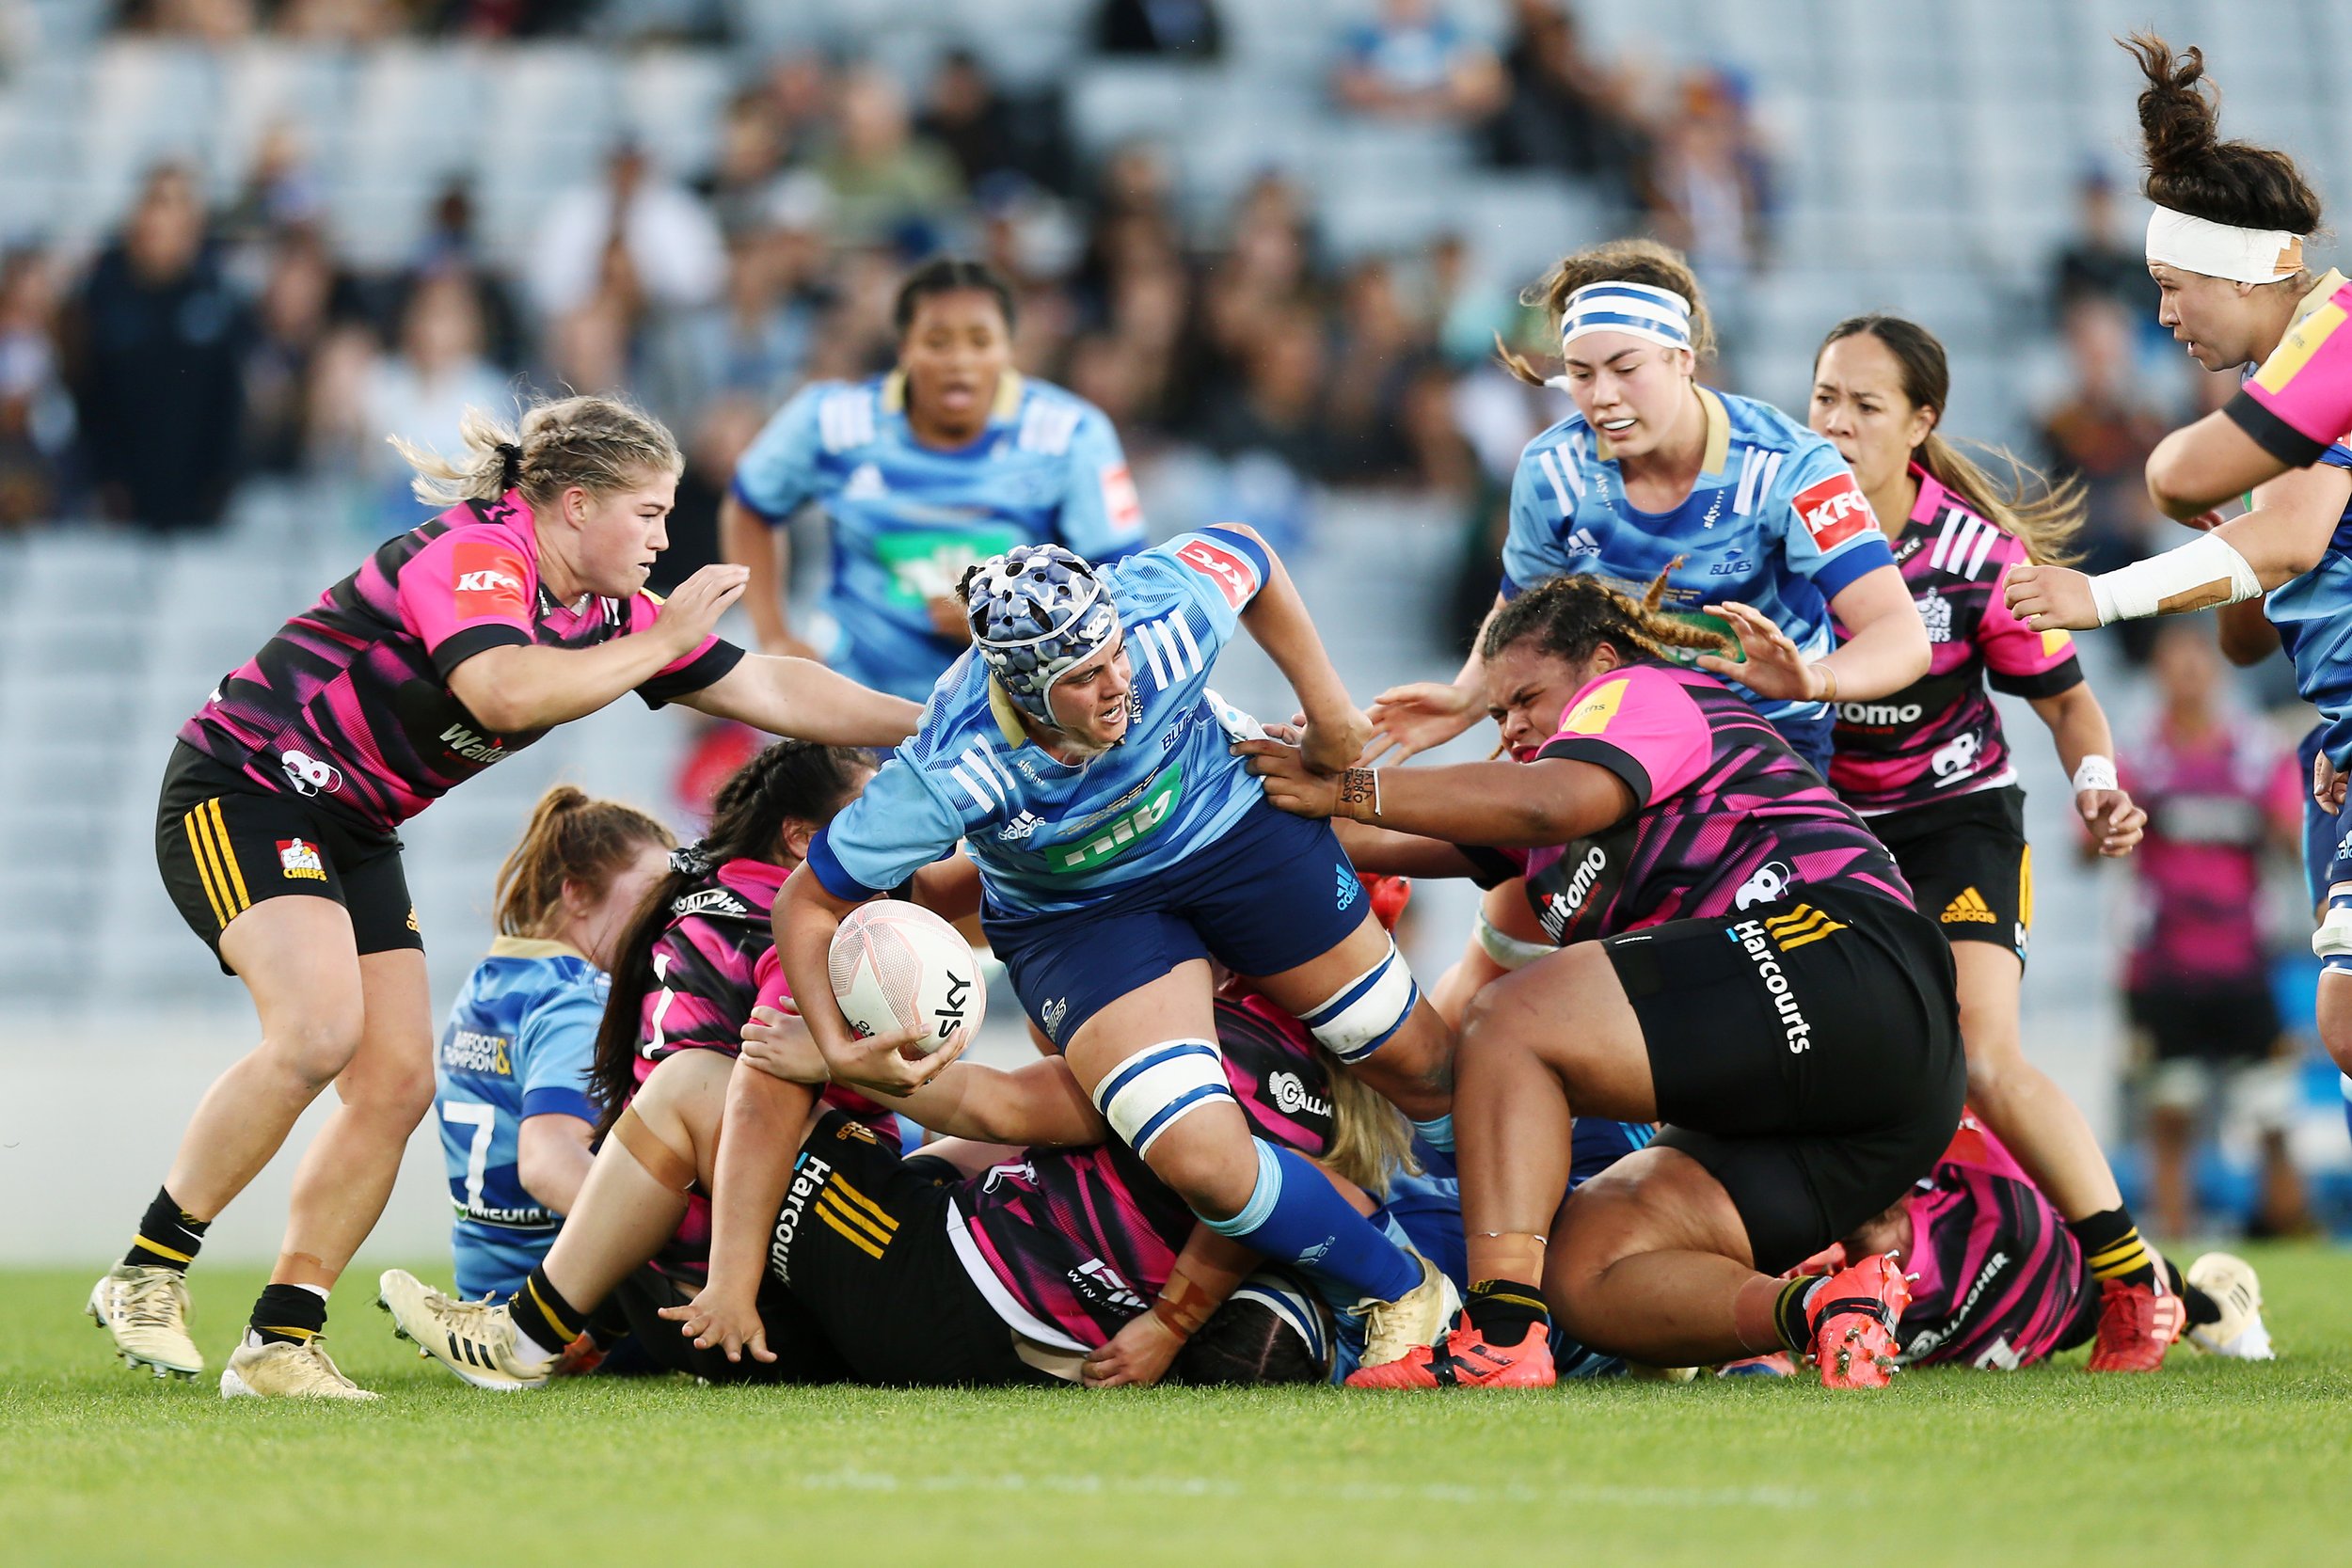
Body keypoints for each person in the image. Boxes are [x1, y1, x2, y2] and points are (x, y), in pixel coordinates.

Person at [88, 395, 920, 1401]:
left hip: (350, 824)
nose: (664, 537)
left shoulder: (606, 615)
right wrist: (661, 648)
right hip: (248, 788)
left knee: (395, 1082)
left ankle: (279, 1341)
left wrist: (937, 722)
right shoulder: (481, 556)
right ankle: (148, 1266)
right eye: (648, 512)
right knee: (317, 1032)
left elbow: (776, 691)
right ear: (574, 506)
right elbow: (501, 692)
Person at [1244, 572, 1965, 1389]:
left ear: (1601, 659)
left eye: (1527, 696)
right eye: (1498, 712)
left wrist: (1347, 785)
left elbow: (1549, 802)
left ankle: (1499, 1336)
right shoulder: (1540, 831)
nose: (1513, 724)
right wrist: (1252, 779)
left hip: (1844, 953)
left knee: (1510, 1021)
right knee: (1589, 1266)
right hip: (1882, 1093)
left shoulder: (1644, 692)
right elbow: (1351, 831)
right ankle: (1822, 1310)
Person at [771, 531, 1464, 1374]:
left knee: (1424, 1067)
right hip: (1082, 913)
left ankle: (1514, 1273)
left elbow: (1250, 553)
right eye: (1084, 678)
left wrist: (1329, 716)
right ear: (1021, 691)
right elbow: (806, 899)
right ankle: (1404, 1289)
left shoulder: (1159, 613)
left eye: (1114, 655)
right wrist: (835, 1041)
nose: (1118, 684)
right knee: (1204, 1161)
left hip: (1231, 826)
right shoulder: (953, 767)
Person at [1807, 313, 2193, 1371]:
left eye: (1864, 405)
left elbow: (2069, 706)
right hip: (1818, 833)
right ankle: (1843, 1290)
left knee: (1982, 1052)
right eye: (1824, 398)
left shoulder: (1977, 555)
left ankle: (2133, 1282)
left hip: (1953, 822)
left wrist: (2100, 788)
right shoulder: (1773, 535)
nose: (1835, 423)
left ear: (1920, 422)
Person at [2005, 32, 2352, 1123]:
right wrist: (2229, 546)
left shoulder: (2329, 352)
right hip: (2337, 739)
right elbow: (2261, 630)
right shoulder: (2282, 402)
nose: (2163, 315)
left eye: (2174, 286)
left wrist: (2099, 594)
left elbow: (2262, 522)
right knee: (2343, 1023)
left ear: (2250, 269)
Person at [380, 741, 908, 1388]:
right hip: (750, 1287)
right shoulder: (793, 930)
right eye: (870, 813)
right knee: (699, 1096)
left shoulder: (512, 978)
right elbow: (553, 1158)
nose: (895, 828)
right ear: (800, 839)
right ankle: (534, 1329)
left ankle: (537, 1323)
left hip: (620, 1285)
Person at [1365, 237, 1928, 776]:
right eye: (1581, 374)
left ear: (1683, 359)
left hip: (1765, 741)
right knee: (1508, 855)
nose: (1603, 396)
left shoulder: (1789, 467)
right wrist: (1467, 698)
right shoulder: (1552, 469)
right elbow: (1519, 609)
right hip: (1618, 741)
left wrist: (1812, 680)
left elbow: (1899, 635)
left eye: (1626, 369)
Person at [723, 258, 1150, 704]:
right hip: (854, 697)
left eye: (980, 341)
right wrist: (774, 637)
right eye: (938, 341)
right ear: (905, 347)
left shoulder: (1070, 434)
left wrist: (1010, 621)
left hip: (1006, 714)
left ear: (1009, 349)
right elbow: (749, 508)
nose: (959, 361)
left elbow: (1123, 580)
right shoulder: (831, 422)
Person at [1731, 1117, 2272, 1374]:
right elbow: (1761, 1353)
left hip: (2071, 1296)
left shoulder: (1970, 1155)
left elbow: (2014, 1097)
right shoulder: (1810, 1264)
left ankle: (2218, 1305)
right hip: (1996, 1344)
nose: (1849, 1175)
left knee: (2133, 1273)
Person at [434, 786, 675, 1302]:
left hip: (484, 1292)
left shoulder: (491, 981)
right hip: (566, 1313)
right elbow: (549, 1164)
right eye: (653, 891)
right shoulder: (577, 997)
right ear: (578, 894)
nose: (666, 914)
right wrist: (681, 1247)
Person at [2122, 625, 2310, 1240]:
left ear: (2218, 672)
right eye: (2174, 664)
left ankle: (2289, 1233)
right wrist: (2110, 819)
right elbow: (2088, 844)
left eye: (2198, 664)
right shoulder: (2141, 759)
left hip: (2243, 963)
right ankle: (2172, 1249)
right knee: (2170, 1115)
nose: (2188, 676)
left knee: (2271, 1114)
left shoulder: (2257, 754)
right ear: (2157, 675)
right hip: (2163, 966)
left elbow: (2292, 840)